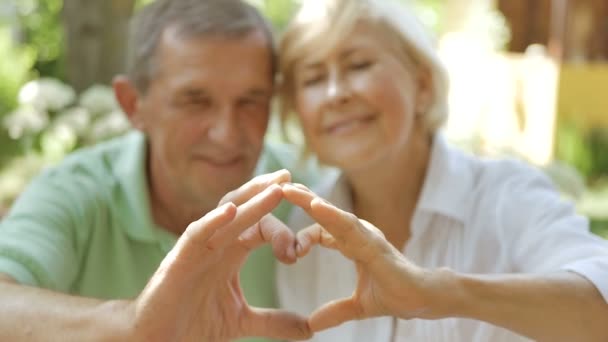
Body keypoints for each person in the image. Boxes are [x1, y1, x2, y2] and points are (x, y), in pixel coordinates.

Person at [275, 0, 608, 341]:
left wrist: (440, 293)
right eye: (313, 78)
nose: (335, 94)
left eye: (358, 65)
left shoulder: (506, 196)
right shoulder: (303, 232)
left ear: (422, 85)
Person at [0, 0, 315, 341]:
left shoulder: (311, 191)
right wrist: (134, 324)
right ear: (133, 104)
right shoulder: (75, 191)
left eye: (251, 101)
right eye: (195, 100)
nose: (227, 133)